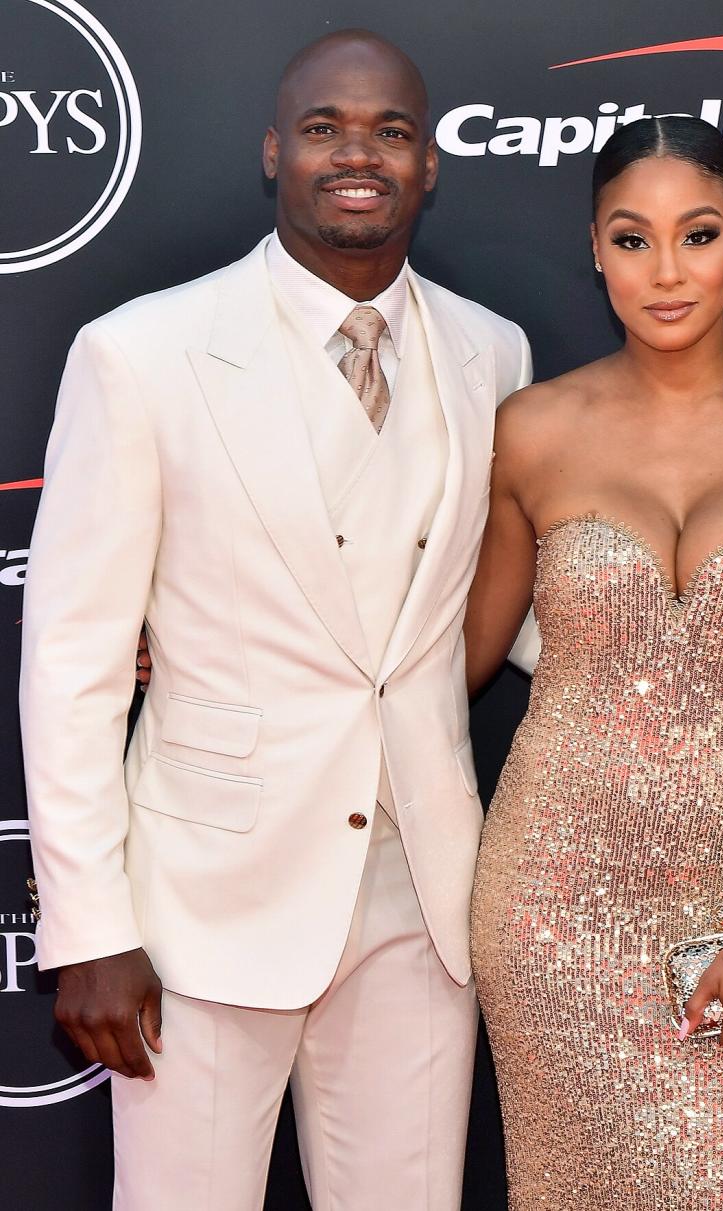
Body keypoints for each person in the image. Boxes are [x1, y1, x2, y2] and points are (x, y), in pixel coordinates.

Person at [20, 30, 530, 1211]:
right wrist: (88, 923)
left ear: (431, 163)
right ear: (272, 153)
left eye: (391, 131)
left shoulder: (491, 352)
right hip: (202, 903)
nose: (359, 155)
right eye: (324, 128)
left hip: (421, 896)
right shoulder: (140, 355)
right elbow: (71, 664)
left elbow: (516, 604)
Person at [466, 116, 723, 1209]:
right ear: (595, 250)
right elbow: (447, 655)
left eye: (695, 234)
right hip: (552, 913)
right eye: (632, 238)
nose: (666, 271)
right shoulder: (534, 427)